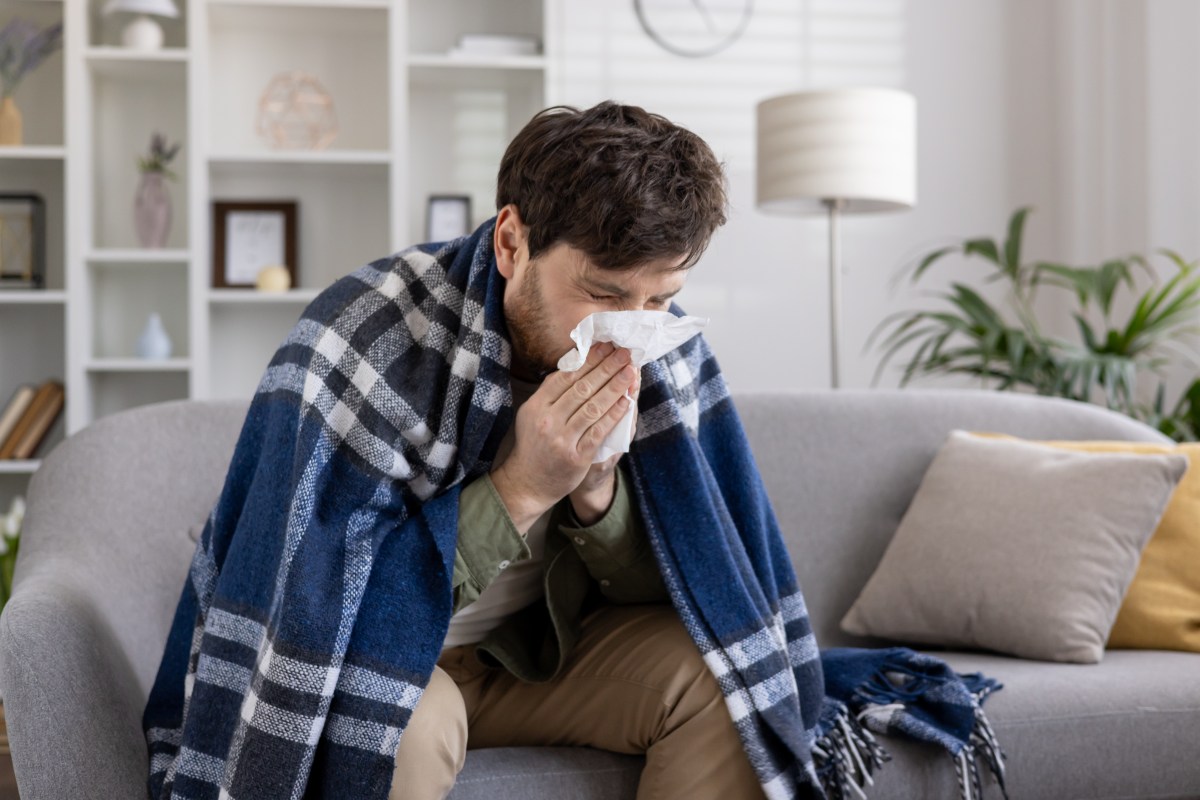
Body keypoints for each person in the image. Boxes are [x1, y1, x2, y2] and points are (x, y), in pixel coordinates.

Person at [386, 101, 758, 799]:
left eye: (659, 299)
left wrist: (596, 493)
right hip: (398, 659)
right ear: (511, 243)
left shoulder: (669, 355)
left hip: (533, 654)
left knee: (733, 674)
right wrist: (524, 486)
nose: (631, 330)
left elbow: (674, 588)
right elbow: (334, 603)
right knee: (395, 720)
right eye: (603, 294)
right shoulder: (382, 339)